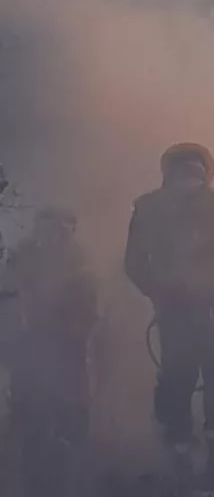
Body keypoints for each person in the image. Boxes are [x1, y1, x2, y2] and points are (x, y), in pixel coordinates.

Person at [124, 143, 214, 477]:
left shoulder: (147, 206)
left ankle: (179, 456)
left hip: (175, 313)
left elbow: (134, 264)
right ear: (206, 170)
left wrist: (161, 292)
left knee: (176, 381)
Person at [4, 206, 97, 497]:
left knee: (72, 408)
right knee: (28, 411)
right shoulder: (20, 258)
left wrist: (74, 326)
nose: (52, 234)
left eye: (60, 228)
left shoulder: (80, 263)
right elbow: (7, 298)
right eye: (47, 227)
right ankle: (32, 475)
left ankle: (72, 468)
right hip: (27, 346)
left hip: (68, 345)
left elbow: (88, 308)